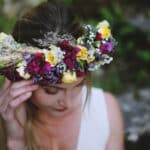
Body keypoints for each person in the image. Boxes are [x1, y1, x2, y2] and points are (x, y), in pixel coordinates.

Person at [0, 1, 124, 150]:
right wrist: (14, 141)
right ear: (21, 77)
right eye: (52, 91)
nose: (68, 103)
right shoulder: (9, 119)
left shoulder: (106, 111)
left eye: (79, 85)